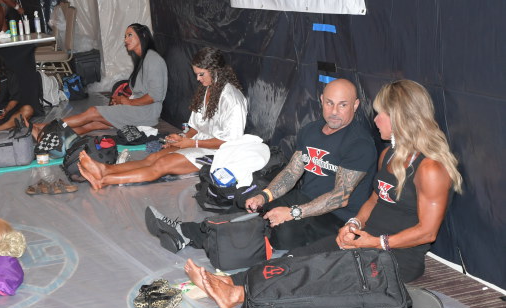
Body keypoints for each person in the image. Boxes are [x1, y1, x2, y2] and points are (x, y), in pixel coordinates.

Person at [183, 79, 463, 308]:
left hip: (397, 257)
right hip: (364, 239)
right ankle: (231, 282)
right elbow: (374, 199)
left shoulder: (431, 168)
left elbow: (427, 232)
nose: (376, 119)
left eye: (382, 114)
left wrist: (376, 243)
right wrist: (354, 224)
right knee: (298, 257)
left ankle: (238, 295)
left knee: (319, 272)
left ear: (402, 118)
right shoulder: (389, 154)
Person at [145, 77, 376, 252]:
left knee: (279, 233)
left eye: (343, 105)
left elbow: (339, 197)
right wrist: (265, 196)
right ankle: (187, 232)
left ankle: (189, 235)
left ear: (355, 105)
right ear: (321, 101)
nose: (334, 112)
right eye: (330, 103)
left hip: (335, 217)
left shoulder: (359, 143)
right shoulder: (311, 131)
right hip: (304, 200)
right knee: (250, 204)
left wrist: (292, 213)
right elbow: (292, 172)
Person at [79, 47, 246, 189]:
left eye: (201, 74)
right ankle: (104, 169)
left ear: (216, 70)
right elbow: (196, 127)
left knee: (161, 164)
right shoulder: (207, 89)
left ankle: (103, 180)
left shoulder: (232, 99)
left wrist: (192, 143)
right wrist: (181, 139)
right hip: (198, 143)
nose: (198, 79)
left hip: (219, 154)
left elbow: (230, 141)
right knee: (153, 157)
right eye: (196, 74)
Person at [34, 23, 167, 149]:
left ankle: (43, 127)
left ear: (143, 36)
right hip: (139, 109)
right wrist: (122, 100)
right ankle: (48, 136)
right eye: (125, 36)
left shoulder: (153, 60)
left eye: (130, 35)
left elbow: (155, 95)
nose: (126, 40)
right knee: (93, 124)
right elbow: (140, 93)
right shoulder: (143, 60)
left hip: (146, 114)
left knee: (93, 112)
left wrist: (128, 103)